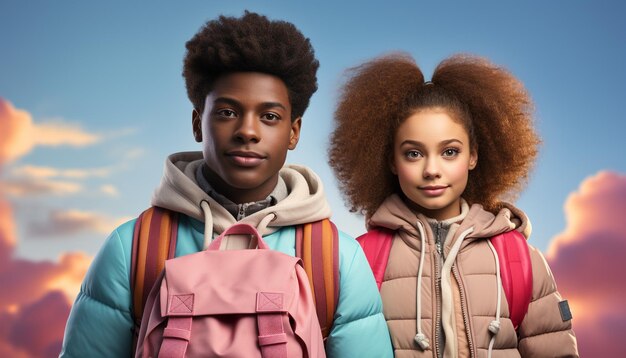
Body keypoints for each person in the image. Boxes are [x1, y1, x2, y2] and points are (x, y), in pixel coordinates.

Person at [60, 11, 392, 357]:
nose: (247, 131)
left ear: (293, 132)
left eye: (269, 116)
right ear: (197, 123)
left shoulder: (336, 259)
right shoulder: (132, 249)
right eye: (227, 112)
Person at [328, 53, 578, 357]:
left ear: (473, 155)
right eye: (413, 154)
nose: (432, 169)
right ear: (392, 160)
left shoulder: (519, 260)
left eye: (449, 151)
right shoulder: (362, 260)